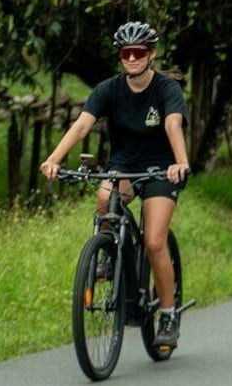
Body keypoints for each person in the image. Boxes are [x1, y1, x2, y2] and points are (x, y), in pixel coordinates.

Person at [40, 21, 190, 347]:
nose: (132, 59)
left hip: (161, 170)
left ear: (151, 54)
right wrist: (54, 159)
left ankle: (167, 311)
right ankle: (107, 254)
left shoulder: (167, 90)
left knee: (153, 242)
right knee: (105, 196)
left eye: (139, 52)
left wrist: (180, 162)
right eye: (126, 53)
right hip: (124, 166)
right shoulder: (109, 89)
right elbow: (81, 126)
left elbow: (173, 124)